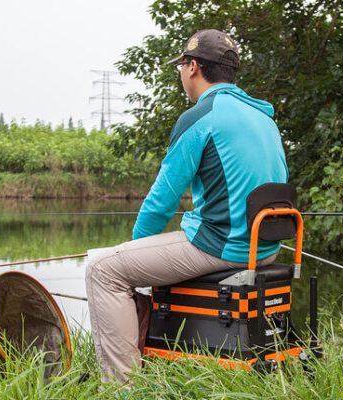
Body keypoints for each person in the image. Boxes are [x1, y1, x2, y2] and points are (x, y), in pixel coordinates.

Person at [85, 29, 288, 383]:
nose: (181, 72)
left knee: (103, 269)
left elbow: (160, 204)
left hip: (225, 246)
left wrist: (132, 253)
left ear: (192, 67)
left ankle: (121, 387)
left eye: (181, 65)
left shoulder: (200, 117)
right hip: (266, 247)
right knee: (119, 265)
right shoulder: (263, 117)